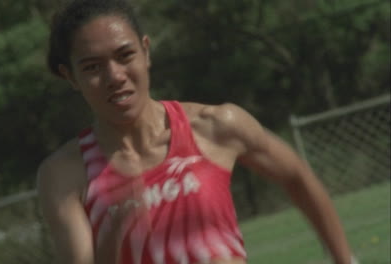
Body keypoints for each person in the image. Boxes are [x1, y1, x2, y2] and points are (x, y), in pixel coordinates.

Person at [37, 0, 357, 263]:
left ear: (146, 51)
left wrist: (345, 259)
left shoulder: (216, 126)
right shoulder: (65, 175)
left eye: (125, 55)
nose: (115, 76)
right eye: (92, 67)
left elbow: (296, 175)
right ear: (71, 77)